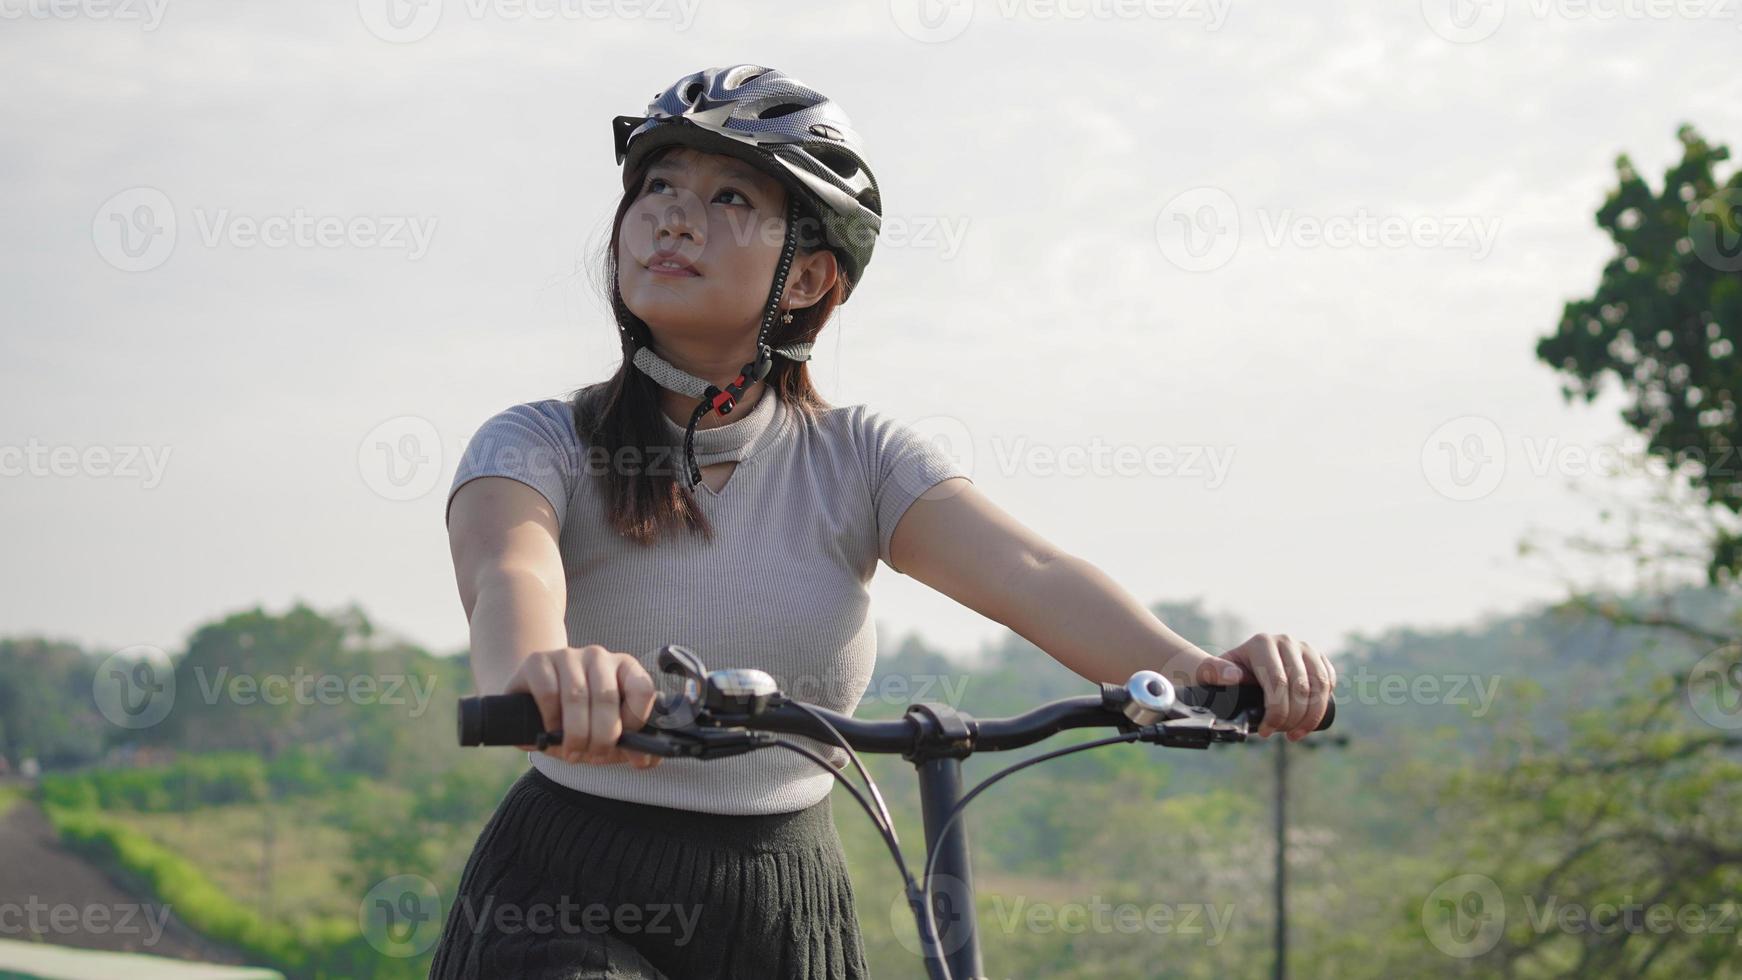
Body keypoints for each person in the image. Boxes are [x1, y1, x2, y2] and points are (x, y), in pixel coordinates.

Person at [431, 64, 1337, 980]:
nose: (672, 215)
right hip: (560, 899)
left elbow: (1031, 573)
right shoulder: (539, 442)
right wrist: (545, 676)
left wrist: (1200, 673)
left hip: (787, 905)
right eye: (656, 186)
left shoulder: (859, 460)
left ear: (810, 275)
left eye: (729, 196)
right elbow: (512, 574)